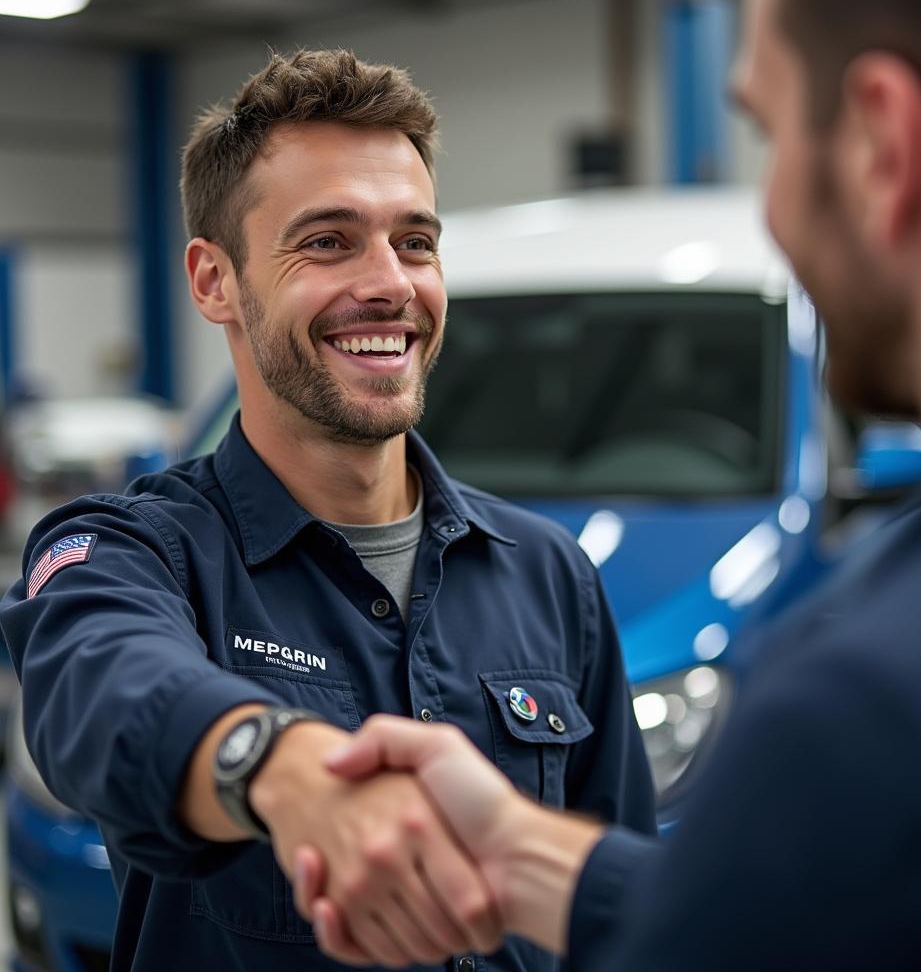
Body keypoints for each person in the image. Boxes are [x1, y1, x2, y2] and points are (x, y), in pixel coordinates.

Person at [298, 0, 921, 967]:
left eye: (767, 132)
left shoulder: (879, 714)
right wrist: (529, 860)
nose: (767, 204)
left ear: (879, 144)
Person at [0, 49, 655, 972]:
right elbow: (104, 693)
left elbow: (615, 908)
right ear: (213, 281)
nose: (390, 282)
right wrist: (281, 770)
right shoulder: (131, 552)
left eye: (415, 242)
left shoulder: (548, 574)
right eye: (328, 241)